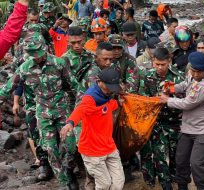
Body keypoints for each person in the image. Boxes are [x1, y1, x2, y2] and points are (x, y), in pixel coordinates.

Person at [14, 33, 79, 189]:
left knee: (71, 146)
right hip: (43, 114)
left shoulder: (58, 63)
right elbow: (10, 86)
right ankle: (64, 182)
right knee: (50, 149)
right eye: (32, 54)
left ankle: (67, 170)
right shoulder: (25, 68)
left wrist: (81, 107)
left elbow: (74, 86)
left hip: (62, 111)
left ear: (44, 48)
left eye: (38, 53)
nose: (36, 57)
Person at [160, 52, 204, 190]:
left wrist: (167, 100)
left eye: (200, 72)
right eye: (194, 71)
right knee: (181, 161)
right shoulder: (192, 73)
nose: (196, 75)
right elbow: (186, 85)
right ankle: (182, 187)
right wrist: (172, 88)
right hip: (188, 128)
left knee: (197, 164)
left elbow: (188, 103)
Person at [60, 67, 125, 190]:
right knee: (104, 184)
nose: (110, 91)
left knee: (118, 182)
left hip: (108, 146)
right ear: (99, 82)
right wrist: (70, 123)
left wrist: (118, 103)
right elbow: (80, 110)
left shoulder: (106, 95)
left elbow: (108, 106)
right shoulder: (90, 97)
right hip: (92, 150)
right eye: (108, 87)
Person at [140, 47, 184, 190]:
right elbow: (143, 99)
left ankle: (173, 175)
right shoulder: (147, 77)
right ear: (153, 61)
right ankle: (165, 183)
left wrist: (171, 99)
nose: (159, 67)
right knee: (160, 153)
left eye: (162, 64)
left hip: (175, 121)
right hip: (157, 122)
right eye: (157, 64)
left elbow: (186, 100)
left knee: (175, 152)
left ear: (169, 62)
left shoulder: (178, 77)